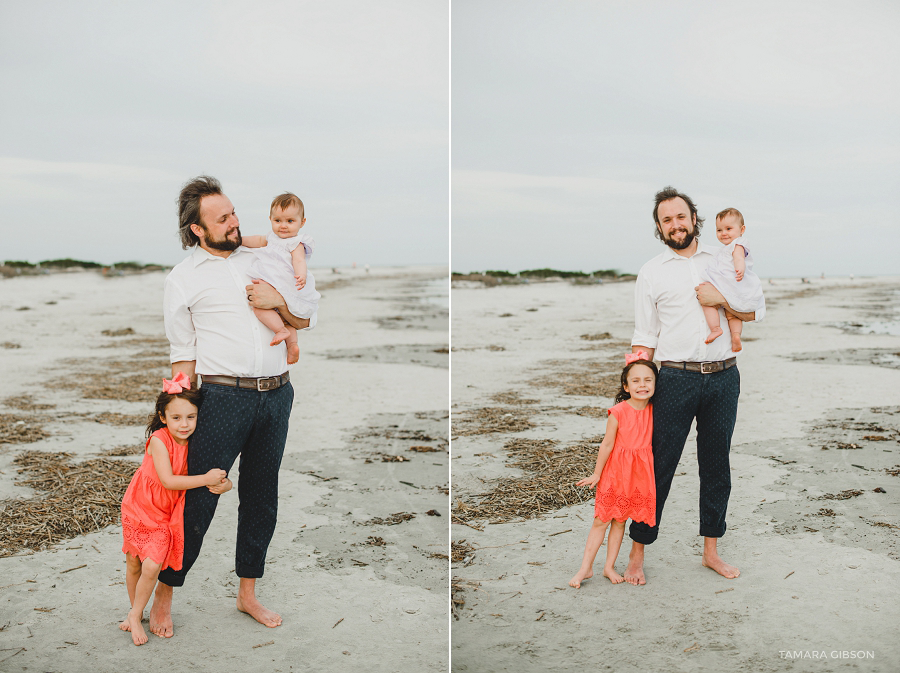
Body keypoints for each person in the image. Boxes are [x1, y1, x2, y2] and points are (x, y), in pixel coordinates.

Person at [150, 175, 315, 638]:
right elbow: (182, 354)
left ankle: (248, 594)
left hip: (278, 394)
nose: (235, 222)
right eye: (223, 218)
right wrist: (174, 414)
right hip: (221, 398)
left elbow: (306, 316)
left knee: (262, 498)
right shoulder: (182, 280)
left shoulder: (264, 258)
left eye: (234, 212)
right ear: (198, 229)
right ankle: (164, 596)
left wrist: (279, 300)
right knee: (198, 500)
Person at [626, 186, 764, 585]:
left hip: (724, 376)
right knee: (659, 467)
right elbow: (644, 336)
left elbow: (752, 310)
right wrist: (634, 390)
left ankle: (711, 552)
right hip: (674, 379)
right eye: (667, 219)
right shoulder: (651, 272)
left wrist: (719, 296)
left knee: (716, 466)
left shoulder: (725, 258)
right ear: (659, 226)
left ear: (694, 218)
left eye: (681, 217)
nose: (675, 224)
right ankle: (638, 553)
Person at [119, 375, 232, 645]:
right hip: (140, 505)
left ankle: (134, 615)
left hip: (165, 512)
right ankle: (136, 612)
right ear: (163, 416)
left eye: (191, 417)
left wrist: (225, 485)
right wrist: (206, 479)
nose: (184, 424)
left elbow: (219, 474)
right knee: (134, 562)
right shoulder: (159, 440)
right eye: (177, 418)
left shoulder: (197, 441)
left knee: (153, 563)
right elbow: (168, 481)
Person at [569, 353, 657, 589]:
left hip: (638, 475)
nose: (642, 385)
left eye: (648, 380)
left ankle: (609, 567)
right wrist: (597, 474)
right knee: (601, 520)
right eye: (636, 381)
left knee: (620, 521)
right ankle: (585, 568)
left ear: (656, 384)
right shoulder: (618, 411)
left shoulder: (655, 411)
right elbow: (607, 444)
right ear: (626, 386)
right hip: (616, 472)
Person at [241, 192, 320, 365]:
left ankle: (281, 331)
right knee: (275, 312)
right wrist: (239, 240)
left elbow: (299, 260)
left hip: (285, 283)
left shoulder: (296, 242)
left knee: (260, 308)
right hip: (274, 283)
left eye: (290, 221)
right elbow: (257, 240)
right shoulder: (270, 237)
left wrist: (302, 275)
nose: (283, 226)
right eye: (278, 221)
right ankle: (292, 345)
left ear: (302, 222)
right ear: (270, 219)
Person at [698, 208, 764, 352]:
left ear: (742, 229)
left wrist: (740, 268)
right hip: (727, 285)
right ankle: (735, 336)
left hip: (730, 283)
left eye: (728, 228)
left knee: (708, 304)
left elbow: (739, 257)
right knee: (732, 314)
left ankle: (716, 329)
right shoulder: (723, 249)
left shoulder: (738, 243)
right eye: (719, 230)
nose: (724, 233)